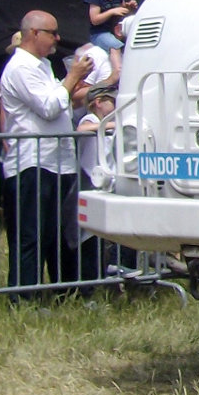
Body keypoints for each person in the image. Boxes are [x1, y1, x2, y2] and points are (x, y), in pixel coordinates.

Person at [0, 10, 93, 298]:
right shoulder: (21, 68)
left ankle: (61, 290)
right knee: (32, 235)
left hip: (56, 162)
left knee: (55, 235)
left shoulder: (41, 65)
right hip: (33, 162)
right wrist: (72, 77)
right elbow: (49, 107)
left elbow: (60, 105)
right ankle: (24, 295)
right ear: (34, 34)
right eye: (52, 32)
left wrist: (76, 87)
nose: (58, 38)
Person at [77, 82, 124, 278]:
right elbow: (82, 129)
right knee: (90, 237)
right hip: (90, 182)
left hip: (106, 183)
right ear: (98, 102)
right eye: (111, 101)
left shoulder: (106, 123)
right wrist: (115, 124)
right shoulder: (91, 118)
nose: (115, 106)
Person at [85, 0, 137, 76]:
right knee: (114, 45)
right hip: (100, 34)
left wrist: (129, 7)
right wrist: (111, 12)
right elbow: (94, 20)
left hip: (116, 32)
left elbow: (123, 10)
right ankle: (118, 71)